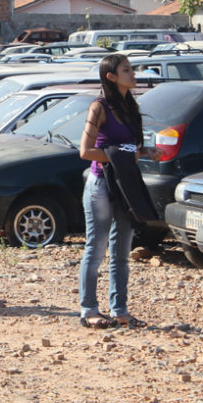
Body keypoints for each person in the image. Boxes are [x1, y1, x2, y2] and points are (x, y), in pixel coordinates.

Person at [77, 53, 160, 328]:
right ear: (111, 77)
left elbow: (131, 150)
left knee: (122, 251)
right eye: (127, 70)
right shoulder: (98, 107)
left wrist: (148, 152)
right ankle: (89, 310)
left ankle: (119, 309)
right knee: (96, 249)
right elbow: (85, 151)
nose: (133, 74)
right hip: (101, 183)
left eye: (132, 69)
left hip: (125, 184)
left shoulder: (131, 107)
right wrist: (118, 154)